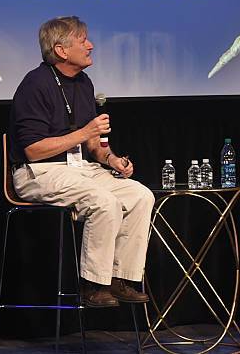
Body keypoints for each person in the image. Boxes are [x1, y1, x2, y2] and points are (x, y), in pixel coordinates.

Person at [8, 16, 154, 307]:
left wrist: (111, 159)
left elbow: (93, 146)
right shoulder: (35, 84)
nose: (91, 45)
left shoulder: (83, 83)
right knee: (103, 200)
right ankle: (92, 286)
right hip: (39, 171)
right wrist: (85, 132)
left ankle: (118, 278)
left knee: (140, 195)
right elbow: (34, 150)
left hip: (80, 169)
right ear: (62, 50)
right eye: (83, 40)